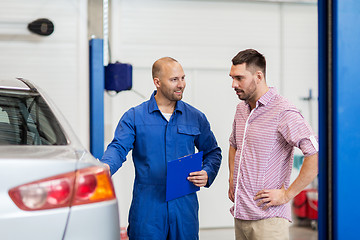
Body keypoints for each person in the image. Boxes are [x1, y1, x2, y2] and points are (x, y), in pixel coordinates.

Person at [101, 57, 222, 240]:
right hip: (148, 207)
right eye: (174, 79)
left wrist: (207, 172)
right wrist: (105, 168)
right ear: (157, 82)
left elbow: (213, 152)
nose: (181, 84)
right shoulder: (134, 117)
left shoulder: (195, 117)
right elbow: (118, 147)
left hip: (184, 206)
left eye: (182, 78)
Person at [227, 49, 318, 240]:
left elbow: (315, 154)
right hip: (240, 215)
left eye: (239, 78)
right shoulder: (241, 109)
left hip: (268, 221)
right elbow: (234, 144)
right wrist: (232, 178)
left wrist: (286, 195)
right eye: (232, 78)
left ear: (258, 76)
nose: (234, 84)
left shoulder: (283, 111)